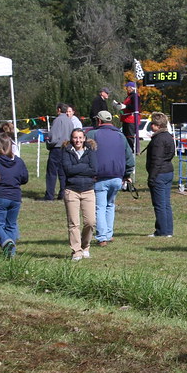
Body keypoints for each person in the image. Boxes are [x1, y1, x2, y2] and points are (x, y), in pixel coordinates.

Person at [87, 110, 133, 246]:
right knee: (110, 205)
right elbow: (129, 157)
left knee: (100, 207)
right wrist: (127, 174)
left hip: (100, 177)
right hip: (117, 177)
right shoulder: (120, 135)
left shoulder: (92, 134)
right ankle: (108, 233)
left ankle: (102, 237)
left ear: (99, 121)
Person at [0, 132, 28, 258]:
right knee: (11, 225)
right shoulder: (19, 161)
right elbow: (25, 179)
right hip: (15, 197)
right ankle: (10, 255)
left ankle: (6, 241)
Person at [61, 128, 97, 261]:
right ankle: (76, 251)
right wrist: (84, 167)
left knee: (90, 222)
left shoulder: (90, 151)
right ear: (72, 138)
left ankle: (85, 246)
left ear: (84, 138)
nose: (78, 140)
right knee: (73, 223)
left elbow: (94, 169)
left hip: (88, 190)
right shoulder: (66, 151)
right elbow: (68, 170)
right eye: (75, 137)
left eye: (80, 137)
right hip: (72, 190)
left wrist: (77, 168)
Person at [146, 112, 175, 237]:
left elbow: (156, 160)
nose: (151, 126)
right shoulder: (168, 136)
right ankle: (168, 230)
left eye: (153, 123)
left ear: (157, 125)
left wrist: (152, 177)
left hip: (160, 173)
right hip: (168, 171)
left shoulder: (158, 139)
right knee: (166, 203)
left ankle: (162, 231)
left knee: (159, 204)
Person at [44, 103, 80, 201]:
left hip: (57, 148)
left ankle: (49, 195)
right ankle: (63, 193)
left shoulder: (58, 120)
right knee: (63, 173)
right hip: (66, 148)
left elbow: (54, 137)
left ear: (59, 110)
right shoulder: (70, 121)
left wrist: (49, 143)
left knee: (52, 173)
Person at [115, 81, 141, 148]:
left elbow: (135, 107)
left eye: (127, 87)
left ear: (131, 88)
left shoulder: (135, 96)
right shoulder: (129, 97)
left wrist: (125, 106)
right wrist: (120, 106)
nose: (126, 89)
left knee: (130, 136)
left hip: (131, 120)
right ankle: (127, 149)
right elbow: (125, 108)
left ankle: (131, 150)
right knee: (125, 136)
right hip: (126, 119)